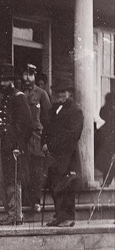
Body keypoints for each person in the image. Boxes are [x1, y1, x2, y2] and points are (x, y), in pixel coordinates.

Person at [0, 64, 33, 225]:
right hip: (4, 146)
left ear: (12, 81)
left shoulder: (18, 97)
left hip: (14, 148)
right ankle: (12, 212)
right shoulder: (7, 97)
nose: (2, 84)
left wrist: (18, 146)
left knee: (13, 181)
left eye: (5, 80)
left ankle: (15, 215)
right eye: (1, 80)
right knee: (0, 181)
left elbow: (26, 124)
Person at [42, 78, 84, 227]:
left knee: (67, 186)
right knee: (56, 186)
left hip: (68, 156)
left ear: (69, 93)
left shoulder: (75, 110)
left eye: (63, 92)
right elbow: (46, 129)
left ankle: (67, 217)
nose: (60, 95)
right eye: (58, 92)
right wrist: (44, 143)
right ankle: (59, 215)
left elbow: (72, 135)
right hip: (54, 156)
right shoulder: (53, 109)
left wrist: (52, 145)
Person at [21, 63, 52, 211]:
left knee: (37, 171)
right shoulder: (19, 93)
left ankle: (36, 201)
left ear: (35, 76)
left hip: (37, 138)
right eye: (25, 74)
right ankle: (24, 200)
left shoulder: (41, 94)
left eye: (31, 75)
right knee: (24, 170)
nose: (27, 78)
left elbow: (47, 119)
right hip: (22, 138)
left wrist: (46, 140)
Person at [96, 92, 115, 186]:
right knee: (109, 163)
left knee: (108, 163)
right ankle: (106, 182)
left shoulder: (105, 109)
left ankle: (106, 182)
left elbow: (101, 114)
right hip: (110, 139)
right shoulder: (109, 109)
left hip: (108, 138)